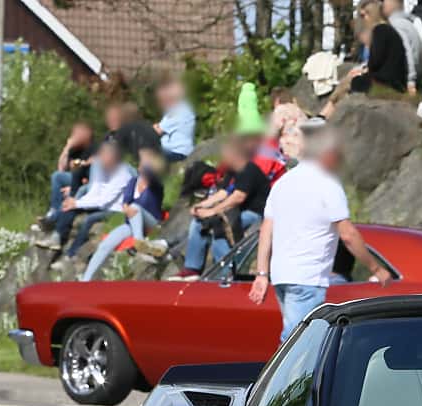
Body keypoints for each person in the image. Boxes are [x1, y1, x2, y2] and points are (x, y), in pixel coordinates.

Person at [249, 126, 389, 339]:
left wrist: (262, 273)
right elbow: (348, 234)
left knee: (300, 341)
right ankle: (277, 374)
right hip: (307, 276)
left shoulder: (282, 183)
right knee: (297, 343)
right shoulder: (327, 183)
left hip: (281, 275)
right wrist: (376, 268)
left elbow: (266, 229)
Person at [179, 138, 271, 277]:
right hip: (236, 212)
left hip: (255, 214)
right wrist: (201, 206)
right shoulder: (233, 171)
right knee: (198, 223)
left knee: (219, 225)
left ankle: (227, 271)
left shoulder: (248, 169)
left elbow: (238, 197)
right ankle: (192, 268)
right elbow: (223, 192)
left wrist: (212, 211)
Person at [81, 152, 168, 281]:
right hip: (131, 223)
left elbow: (142, 205)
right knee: (105, 244)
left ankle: (139, 242)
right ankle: (85, 280)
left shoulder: (156, 186)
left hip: (150, 222)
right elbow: (125, 201)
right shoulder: (132, 182)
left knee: (136, 208)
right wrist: (126, 208)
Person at [48, 136, 135, 257]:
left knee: (89, 219)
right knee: (71, 206)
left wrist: (77, 203)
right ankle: (56, 235)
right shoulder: (103, 168)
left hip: (115, 209)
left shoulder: (122, 173)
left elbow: (104, 201)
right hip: (102, 203)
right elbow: (94, 192)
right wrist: (75, 202)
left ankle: (71, 254)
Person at [37, 121, 97, 235]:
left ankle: (53, 220)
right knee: (57, 176)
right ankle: (53, 211)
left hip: (87, 182)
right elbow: (61, 168)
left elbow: (94, 176)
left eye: (78, 133)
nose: (75, 136)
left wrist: (72, 187)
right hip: (75, 180)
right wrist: (67, 147)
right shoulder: (74, 149)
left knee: (70, 191)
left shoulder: (95, 148)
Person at [350, 3, 411, 96]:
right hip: (396, 80)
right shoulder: (389, 30)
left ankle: (327, 109)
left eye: (364, 15)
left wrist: (363, 71)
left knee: (352, 81)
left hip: (386, 82)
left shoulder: (379, 31)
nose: (363, 19)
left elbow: (375, 61)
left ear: (372, 14)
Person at [154, 77, 196, 163]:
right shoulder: (176, 108)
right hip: (172, 150)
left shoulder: (178, 110)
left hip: (176, 152)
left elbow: (157, 131)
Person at [383, 0, 422, 75]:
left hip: (409, 72)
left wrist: (411, 80)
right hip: (418, 66)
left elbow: (408, 50)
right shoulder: (415, 20)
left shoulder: (397, 23)